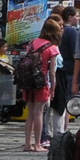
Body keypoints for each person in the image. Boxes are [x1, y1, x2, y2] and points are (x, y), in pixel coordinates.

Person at [20, 19, 61, 152]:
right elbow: (52, 72)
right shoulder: (52, 48)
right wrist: (53, 88)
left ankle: (27, 144)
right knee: (38, 112)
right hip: (41, 82)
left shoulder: (32, 43)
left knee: (30, 113)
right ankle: (38, 144)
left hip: (27, 81)